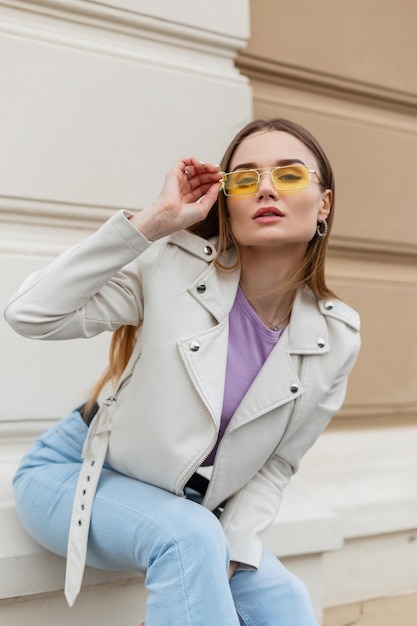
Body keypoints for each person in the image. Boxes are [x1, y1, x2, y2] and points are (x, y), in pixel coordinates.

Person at [5, 117, 360, 626]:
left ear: (323, 203)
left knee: (282, 598)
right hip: (75, 473)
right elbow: (30, 313)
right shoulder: (172, 267)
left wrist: (233, 550)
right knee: (187, 536)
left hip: (189, 509)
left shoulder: (338, 334)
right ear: (226, 201)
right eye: (244, 178)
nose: (264, 188)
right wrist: (152, 222)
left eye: (288, 175)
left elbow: (277, 465)